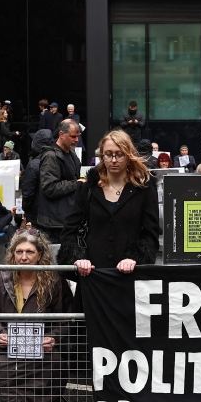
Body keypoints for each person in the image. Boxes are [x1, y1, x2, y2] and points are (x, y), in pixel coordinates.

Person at [0, 231, 71, 402]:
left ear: (40, 255)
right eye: (19, 252)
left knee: (56, 364)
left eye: (29, 252)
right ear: (13, 253)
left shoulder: (54, 281)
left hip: (40, 349)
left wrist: (53, 337)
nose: (24, 257)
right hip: (4, 347)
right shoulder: (0, 280)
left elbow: (66, 319)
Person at [63, 130, 161, 303]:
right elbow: (70, 229)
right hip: (93, 277)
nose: (113, 160)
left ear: (129, 155)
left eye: (119, 155)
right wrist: (78, 259)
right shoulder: (88, 188)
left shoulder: (144, 189)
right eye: (108, 155)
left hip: (129, 280)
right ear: (102, 155)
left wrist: (135, 258)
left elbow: (151, 234)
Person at [36, 119, 83, 242]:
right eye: (73, 136)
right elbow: (49, 188)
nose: (77, 140)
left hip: (66, 219)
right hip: (55, 223)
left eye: (78, 136)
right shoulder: (51, 156)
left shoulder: (71, 154)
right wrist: (77, 184)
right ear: (61, 134)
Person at [20, 129, 54, 226]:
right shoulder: (58, 160)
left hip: (37, 214)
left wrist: (25, 207)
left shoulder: (34, 164)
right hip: (54, 214)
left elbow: (28, 192)